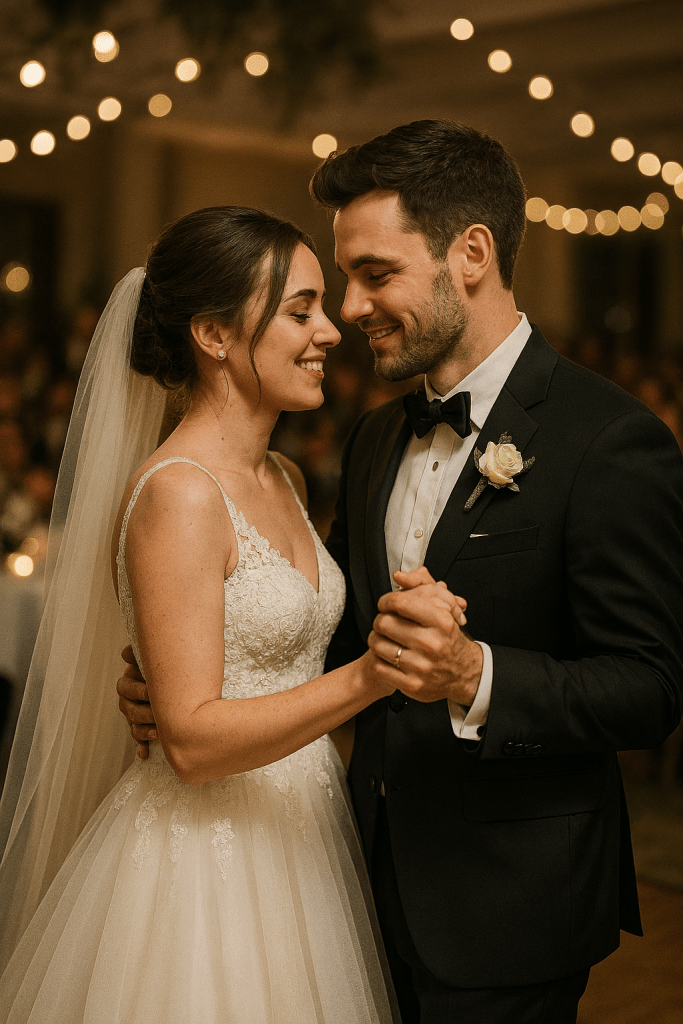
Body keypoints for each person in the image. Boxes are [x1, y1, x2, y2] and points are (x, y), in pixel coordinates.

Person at [0, 205, 430, 1023]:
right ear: (215, 335)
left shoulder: (284, 480)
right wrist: (372, 676)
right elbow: (193, 743)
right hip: (200, 860)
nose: (330, 330)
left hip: (304, 834)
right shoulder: (180, 494)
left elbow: (258, 656)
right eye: (300, 310)